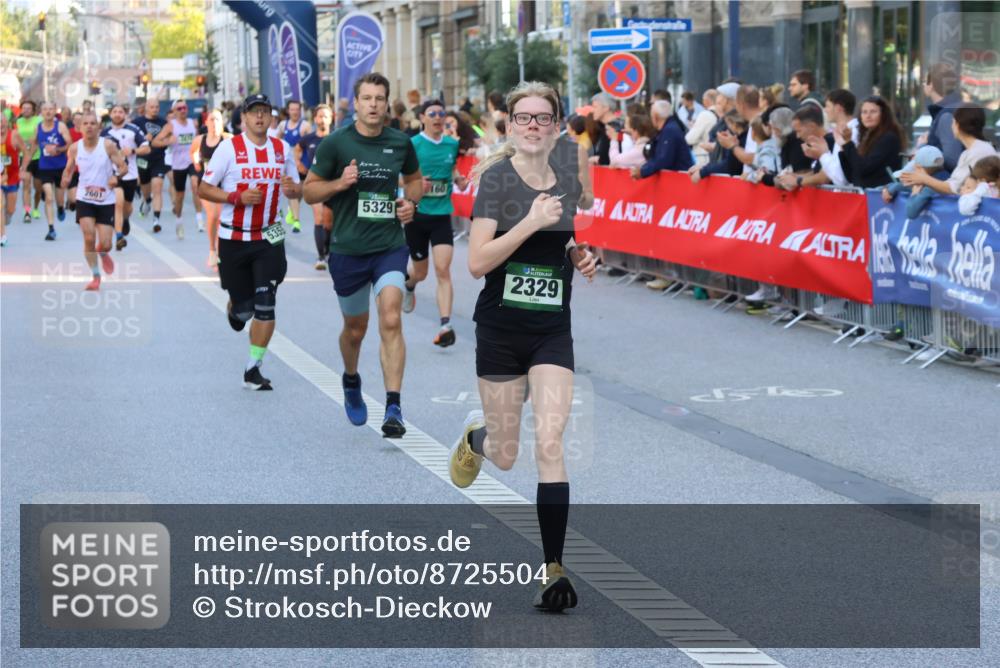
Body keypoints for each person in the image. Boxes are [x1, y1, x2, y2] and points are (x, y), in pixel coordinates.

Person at [447, 80, 598, 613]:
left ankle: (552, 568)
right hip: (501, 329)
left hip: (552, 328)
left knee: (551, 441)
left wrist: (582, 255)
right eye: (524, 118)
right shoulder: (495, 181)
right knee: (507, 455)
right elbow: (477, 262)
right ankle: (477, 438)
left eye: (543, 117)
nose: (534, 126)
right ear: (509, 126)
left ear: (557, 125)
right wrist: (530, 221)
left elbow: (574, 237)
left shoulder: (572, 175)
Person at [303, 72, 423, 438]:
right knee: (356, 330)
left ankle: (393, 406)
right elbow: (309, 192)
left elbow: (415, 180)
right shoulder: (336, 143)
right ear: (355, 103)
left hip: (388, 245)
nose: (373, 104)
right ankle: (351, 379)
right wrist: (340, 183)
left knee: (390, 318)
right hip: (348, 249)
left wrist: (410, 203)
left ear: (387, 103)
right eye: (366, 98)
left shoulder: (400, 142)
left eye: (379, 98)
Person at [198, 93, 303, 390]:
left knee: (266, 303)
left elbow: (297, 189)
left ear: (271, 118)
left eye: (264, 112)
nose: (259, 117)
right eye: (253, 112)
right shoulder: (228, 149)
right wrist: (236, 197)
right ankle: (236, 306)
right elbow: (204, 189)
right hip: (234, 237)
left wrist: (294, 190)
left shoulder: (282, 149)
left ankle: (253, 368)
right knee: (244, 311)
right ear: (243, 118)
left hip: (270, 237)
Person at [401, 99, 468, 347]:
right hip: (417, 215)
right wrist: (416, 185)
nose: (438, 117)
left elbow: (452, 170)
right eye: (433, 114)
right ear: (422, 118)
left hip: (441, 216)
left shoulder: (452, 144)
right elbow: (399, 178)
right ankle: (409, 285)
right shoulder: (413, 144)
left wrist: (459, 180)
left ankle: (445, 324)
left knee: (443, 270)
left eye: (442, 113)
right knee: (420, 272)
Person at [60, 111, 128, 291]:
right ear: (80, 128)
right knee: (89, 237)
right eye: (86, 123)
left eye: (93, 123)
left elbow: (123, 167)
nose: (89, 126)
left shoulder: (108, 146)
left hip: (106, 199)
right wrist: (65, 179)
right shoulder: (75, 148)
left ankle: (103, 252)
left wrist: (116, 176)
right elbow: (69, 169)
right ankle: (96, 276)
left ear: (99, 127)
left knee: (105, 243)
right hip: (85, 198)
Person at [901, 103, 997, 196]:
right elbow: (952, 183)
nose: (951, 126)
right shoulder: (970, 151)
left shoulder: (978, 151)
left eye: (953, 122)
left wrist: (924, 179)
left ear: (958, 125)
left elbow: (953, 188)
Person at [101, 103, 150, 251]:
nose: (117, 114)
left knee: (127, 207)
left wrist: (133, 150)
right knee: (118, 203)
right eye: (114, 112)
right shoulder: (104, 133)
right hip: (113, 175)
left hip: (130, 174)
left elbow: (147, 148)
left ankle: (126, 219)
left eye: (120, 112)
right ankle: (119, 236)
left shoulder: (133, 130)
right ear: (110, 115)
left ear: (125, 114)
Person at [152, 99, 203, 238]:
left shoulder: (193, 123)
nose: (183, 110)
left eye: (184, 107)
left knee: (195, 185)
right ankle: (179, 221)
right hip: (178, 164)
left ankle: (200, 220)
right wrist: (168, 141)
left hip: (192, 161)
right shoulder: (171, 126)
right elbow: (155, 141)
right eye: (179, 108)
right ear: (174, 111)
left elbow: (198, 140)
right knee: (179, 196)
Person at [21, 102, 72, 241]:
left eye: (50, 109)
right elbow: (32, 149)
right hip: (45, 167)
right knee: (49, 197)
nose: (48, 112)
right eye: (45, 109)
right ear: (41, 112)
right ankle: (51, 229)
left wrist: (58, 150)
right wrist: (24, 166)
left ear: (55, 111)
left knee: (59, 199)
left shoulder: (60, 126)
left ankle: (61, 208)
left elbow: (69, 144)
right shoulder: (38, 128)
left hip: (60, 167)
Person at [294, 103, 334, 270]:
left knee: (329, 222)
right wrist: (298, 163)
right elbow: (297, 149)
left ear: (331, 119)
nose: (322, 119)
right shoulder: (309, 139)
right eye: (320, 116)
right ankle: (321, 257)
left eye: (326, 116)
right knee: (318, 218)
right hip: (315, 184)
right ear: (315, 119)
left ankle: (329, 251)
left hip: (333, 185)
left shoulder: (337, 138)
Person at [190, 108, 231, 270]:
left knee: (222, 218)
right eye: (211, 120)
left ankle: (220, 254)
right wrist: (196, 163)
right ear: (206, 123)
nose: (214, 123)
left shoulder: (228, 139)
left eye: (217, 120)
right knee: (213, 215)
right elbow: (192, 152)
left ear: (222, 123)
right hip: (206, 185)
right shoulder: (200, 140)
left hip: (224, 185)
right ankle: (212, 249)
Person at [837, 96, 905, 189]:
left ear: (883, 114)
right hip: (867, 195)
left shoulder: (888, 138)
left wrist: (848, 143)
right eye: (864, 112)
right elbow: (852, 176)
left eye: (873, 112)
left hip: (880, 196)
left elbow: (864, 169)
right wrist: (843, 147)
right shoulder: (866, 137)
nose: (868, 116)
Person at [629, 100, 693, 179]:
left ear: (655, 117)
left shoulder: (669, 131)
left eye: (651, 116)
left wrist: (643, 171)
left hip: (679, 180)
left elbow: (664, 159)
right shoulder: (668, 129)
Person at [921, 63, 964, 172]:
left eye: (925, 81)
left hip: (944, 184)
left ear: (931, 85)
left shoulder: (946, 115)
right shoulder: (951, 109)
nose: (923, 85)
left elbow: (952, 160)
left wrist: (923, 149)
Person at [134, 98, 169, 231]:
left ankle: (156, 221)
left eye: (157, 107)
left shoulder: (164, 123)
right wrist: (143, 139)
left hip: (158, 159)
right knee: (146, 190)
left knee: (157, 188)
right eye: (152, 107)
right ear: (146, 108)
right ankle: (147, 201)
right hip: (143, 159)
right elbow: (131, 140)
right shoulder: (137, 122)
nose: (155, 109)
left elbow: (169, 138)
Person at [277, 100, 310, 233]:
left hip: (301, 163)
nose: (295, 112)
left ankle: (291, 210)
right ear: (288, 111)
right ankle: (296, 221)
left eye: (297, 109)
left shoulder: (305, 126)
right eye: (292, 109)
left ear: (300, 110)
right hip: (288, 164)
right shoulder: (282, 125)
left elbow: (310, 144)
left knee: (300, 190)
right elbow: (276, 141)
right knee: (292, 192)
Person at [1, 113, 27, 246]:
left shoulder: (15, 135)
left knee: (10, 210)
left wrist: (23, 169)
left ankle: (6, 219)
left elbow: (26, 152)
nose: (0, 125)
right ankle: (2, 235)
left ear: (6, 123)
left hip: (12, 177)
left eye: (2, 122)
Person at [15, 100, 42, 223]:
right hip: (23, 157)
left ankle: (36, 207)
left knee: (38, 187)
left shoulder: (38, 121)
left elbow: (37, 139)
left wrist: (30, 150)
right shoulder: (18, 122)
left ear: (33, 110)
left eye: (28, 108)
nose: (25, 110)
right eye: (24, 108)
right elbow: (14, 138)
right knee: (26, 186)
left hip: (38, 157)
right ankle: (27, 212)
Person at [685, 89, 718, 167]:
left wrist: (692, 128)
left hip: (702, 157)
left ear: (706, 101)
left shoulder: (705, 114)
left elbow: (689, 139)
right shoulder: (721, 114)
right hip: (715, 156)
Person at [590, 93, 618, 165]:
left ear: (606, 108)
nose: (592, 111)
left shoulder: (617, 127)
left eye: (595, 107)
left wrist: (597, 159)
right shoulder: (603, 127)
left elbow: (611, 158)